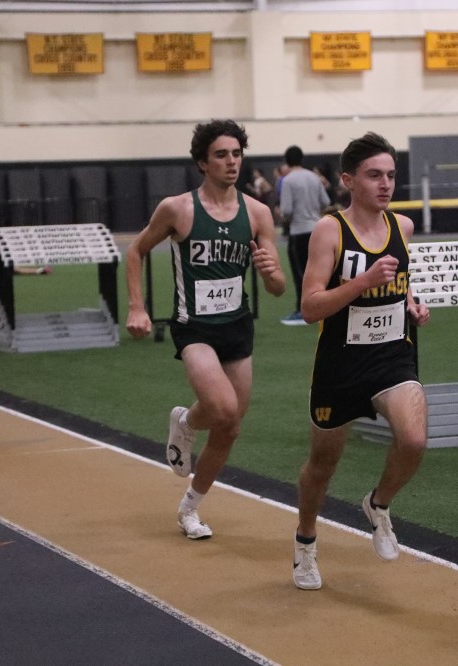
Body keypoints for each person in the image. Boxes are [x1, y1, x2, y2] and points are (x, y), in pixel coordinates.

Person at [124, 119, 286, 540]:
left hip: (237, 325)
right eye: (221, 155)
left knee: (230, 425)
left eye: (236, 154)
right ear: (202, 162)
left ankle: (189, 505)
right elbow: (136, 250)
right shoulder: (177, 209)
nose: (231, 162)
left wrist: (270, 272)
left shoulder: (258, 213)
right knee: (224, 409)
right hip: (193, 326)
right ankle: (189, 422)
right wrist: (138, 307)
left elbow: (278, 288)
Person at [293, 132, 431, 590]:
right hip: (341, 366)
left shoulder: (403, 227)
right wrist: (362, 282)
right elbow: (310, 306)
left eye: (391, 175)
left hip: (392, 358)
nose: (385, 184)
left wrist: (411, 304)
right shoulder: (330, 231)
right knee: (322, 467)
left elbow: (399, 281)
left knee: (413, 439)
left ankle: (379, 503)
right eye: (374, 175)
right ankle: (305, 543)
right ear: (348, 180)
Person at [278, 145, 330, 325]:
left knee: (300, 274)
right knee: (319, 273)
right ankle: (323, 308)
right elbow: (325, 202)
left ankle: (302, 311)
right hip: (317, 230)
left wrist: (282, 215)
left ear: (286, 161)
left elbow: (286, 210)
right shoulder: (314, 177)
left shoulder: (288, 180)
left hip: (299, 231)